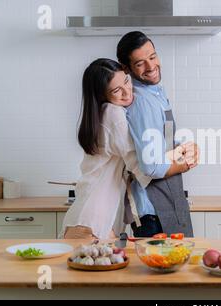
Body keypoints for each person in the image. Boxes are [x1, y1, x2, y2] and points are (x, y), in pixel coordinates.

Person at [60, 58, 189, 240]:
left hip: (87, 213)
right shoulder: (113, 114)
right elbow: (141, 167)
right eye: (116, 90)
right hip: (94, 218)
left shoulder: (100, 114)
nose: (127, 91)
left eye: (126, 81)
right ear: (102, 95)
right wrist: (182, 163)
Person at [117, 31, 198, 237]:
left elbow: (162, 140)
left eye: (152, 57)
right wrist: (185, 163)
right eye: (140, 63)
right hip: (155, 213)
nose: (151, 67)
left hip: (167, 204)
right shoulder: (143, 102)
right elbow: (151, 166)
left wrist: (186, 147)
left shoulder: (155, 94)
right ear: (126, 68)